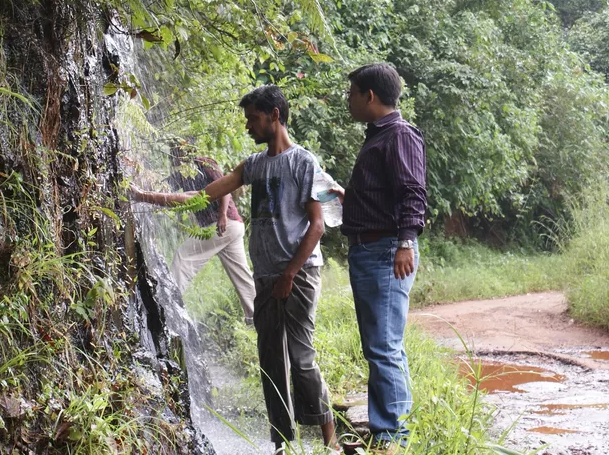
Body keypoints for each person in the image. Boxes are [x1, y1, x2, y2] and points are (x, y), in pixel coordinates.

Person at [131, 85, 340, 454]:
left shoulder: (303, 162)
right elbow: (201, 196)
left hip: (299, 274)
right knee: (270, 361)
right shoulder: (253, 165)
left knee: (301, 358)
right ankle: (281, 444)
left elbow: (317, 225)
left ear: (274, 115)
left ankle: (331, 442)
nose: (248, 126)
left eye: (253, 118)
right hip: (266, 276)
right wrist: (142, 196)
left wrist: (290, 274)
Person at [331, 63, 426, 454]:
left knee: (384, 346)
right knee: (382, 345)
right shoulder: (379, 136)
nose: (348, 100)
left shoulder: (399, 134)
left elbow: (413, 192)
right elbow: (387, 193)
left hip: (386, 250)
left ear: (369, 96)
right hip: (371, 249)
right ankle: (389, 428)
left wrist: (405, 242)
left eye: (351, 93)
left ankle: (392, 436)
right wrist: (350, 197)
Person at [162, 139, 255, 324]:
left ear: (187, 151)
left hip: (223, 224)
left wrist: (222, 215)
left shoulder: (204, 163)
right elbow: (163, 189)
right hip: (232, 228)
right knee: (242, 276)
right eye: (173, 153)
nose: (174, 157)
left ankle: (167, 305)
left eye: (177, 152)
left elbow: (225, 187)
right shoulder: (181, 173)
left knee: (183, 256)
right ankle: (259, 316)